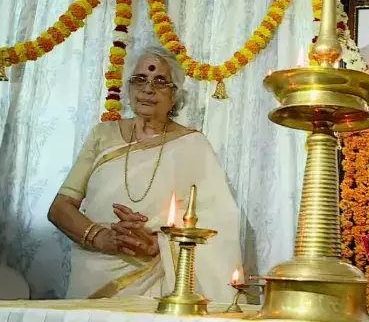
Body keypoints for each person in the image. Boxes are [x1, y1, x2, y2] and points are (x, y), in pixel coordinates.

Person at [48, 46, 242, 301]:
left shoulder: (193, 145)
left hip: (158, 278)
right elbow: (60, 208)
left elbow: (217, 221)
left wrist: (159, 244)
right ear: (128, 88)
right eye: (139, 79)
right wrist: (100, 237)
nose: (148, 89)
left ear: (175, 95)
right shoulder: (102, 135)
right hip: (94, 274)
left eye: (160, 81)